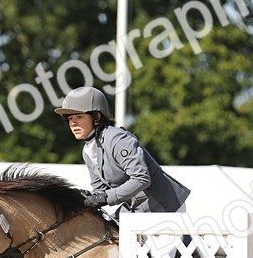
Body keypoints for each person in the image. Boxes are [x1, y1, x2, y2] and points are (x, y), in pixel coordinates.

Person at [54, 86, 190, 213]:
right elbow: (100, 190)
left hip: (165, 208)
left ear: (96, 117)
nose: (73, 123)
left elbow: (141, 179)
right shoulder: (88, 150)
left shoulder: (117, 138)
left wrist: (103, 198)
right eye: (70, 118)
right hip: (136, 208)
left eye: (79, 117)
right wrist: (81, 198)